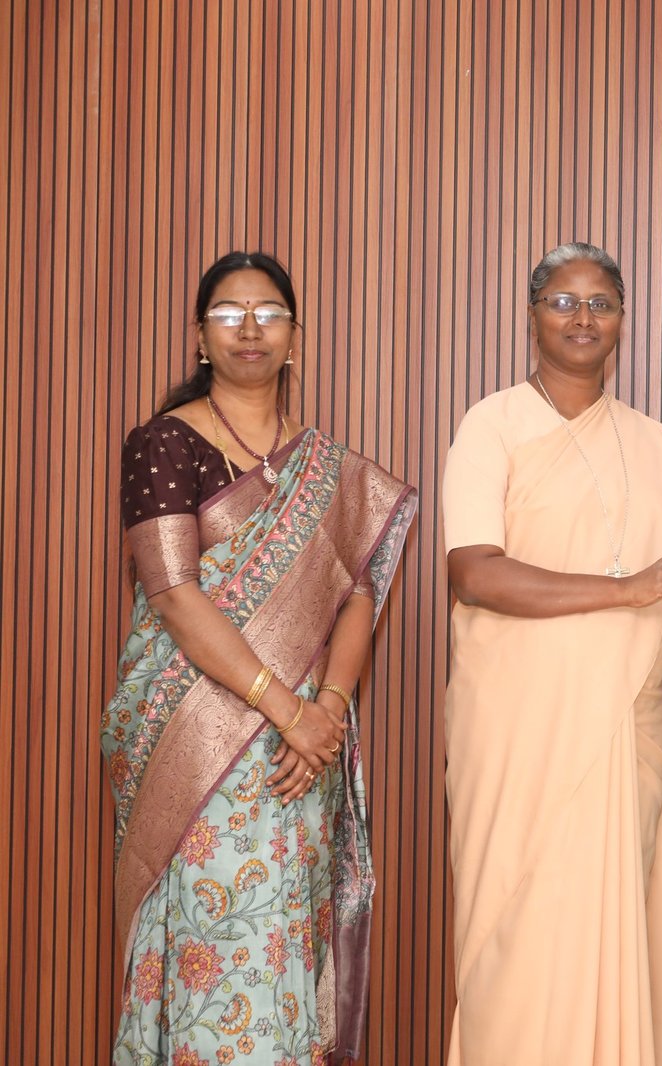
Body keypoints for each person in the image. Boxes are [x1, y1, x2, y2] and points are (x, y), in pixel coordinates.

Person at [103, 251, 417, 1064]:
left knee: (284, 941)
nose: (250, 327)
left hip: (300, 758)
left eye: (269, 312)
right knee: (209, 947)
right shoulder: (164, 444)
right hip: (200, 747)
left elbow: (357, 596)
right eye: (229, 312)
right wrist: (286, 709)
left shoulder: (327, 469)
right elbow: (175, 595)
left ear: (295, 336)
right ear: (200, 336)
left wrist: (328, 711)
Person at [441, 242, 662, 1066]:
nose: (582, 317)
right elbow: (475, 573)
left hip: (625, 728)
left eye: (600, 303)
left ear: (622, 322)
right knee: (513, 941)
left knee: (618, 926)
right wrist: (627, 588)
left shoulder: (655, 443)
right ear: (532, 316)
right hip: (516, 731)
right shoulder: (492, 425)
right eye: (563, 301)